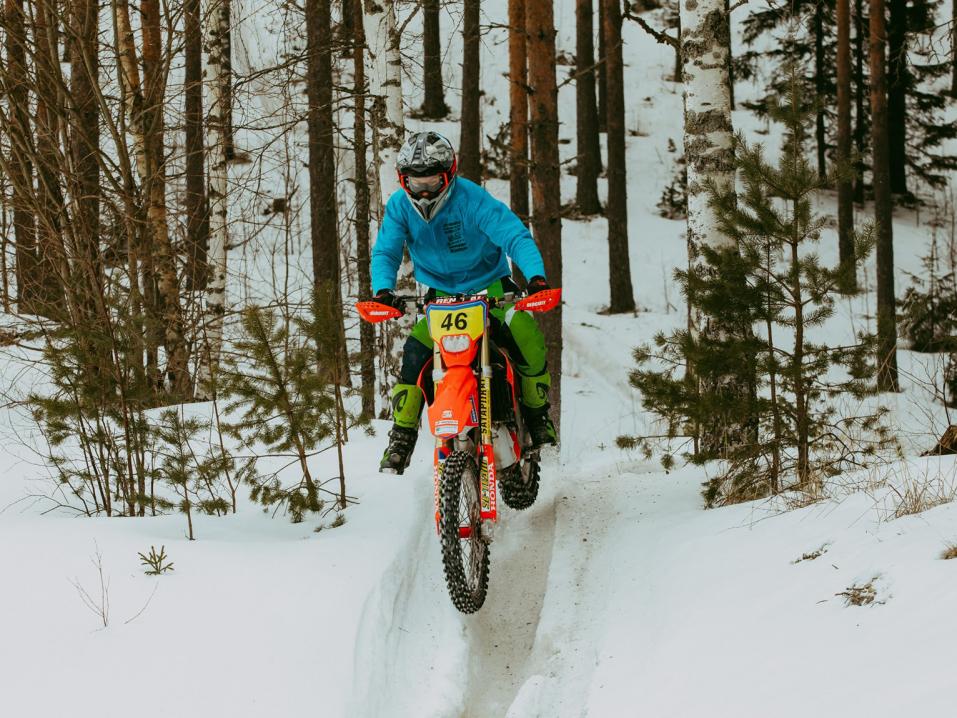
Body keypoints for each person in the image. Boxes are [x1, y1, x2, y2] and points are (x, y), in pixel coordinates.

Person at [371, 131, 556, 474]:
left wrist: (535, 278)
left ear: (449, 173)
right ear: (403, 180)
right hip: (441, 299)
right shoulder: (399, 206)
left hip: (492, 290)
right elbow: (386, 250)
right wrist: (383, 289)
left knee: (526, 336)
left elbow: (514, 235)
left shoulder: (472, 199)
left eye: (432, 180)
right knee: (414, 354)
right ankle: (401, 436)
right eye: (415, 181)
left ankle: (536, 415)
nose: (423, 190)